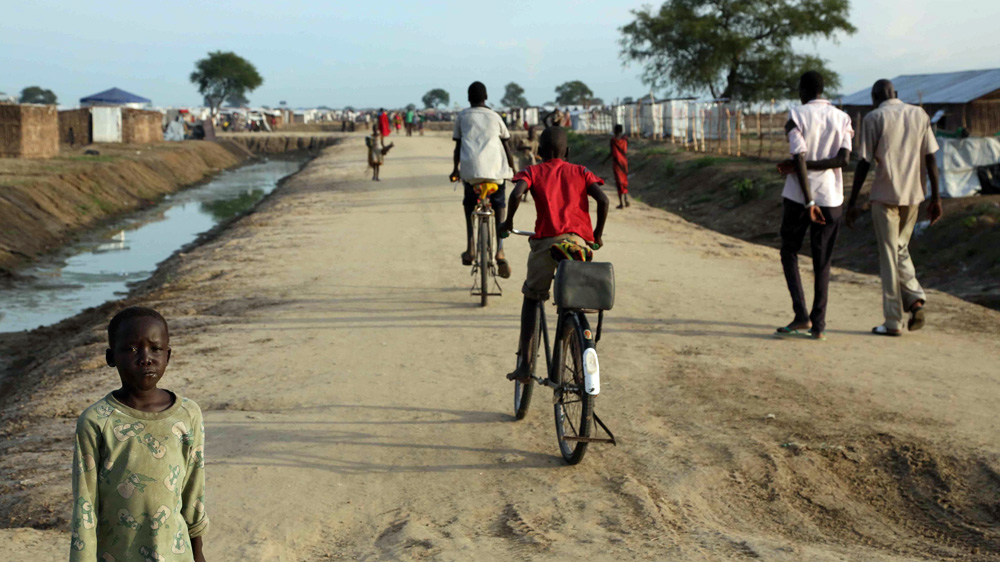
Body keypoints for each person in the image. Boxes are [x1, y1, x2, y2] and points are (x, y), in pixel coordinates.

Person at [70, 307, 209, 562]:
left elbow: (194, 491)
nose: (145, 358)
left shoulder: (187, 414)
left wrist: (198, 554)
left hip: (175, 553)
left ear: (168, 355)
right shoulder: (97, 421)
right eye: (132, 349)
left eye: (155, 349)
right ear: (111, 357)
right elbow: (85, 504)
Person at [500, 127, 610, 383]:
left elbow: (517, 194)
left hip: (547, 244)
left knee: (532, 297)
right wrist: (597, 235)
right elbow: (603, 201)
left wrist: (508, 222)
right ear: (568, 152)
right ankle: (573, 342)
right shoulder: (581, 171)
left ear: (538, 151)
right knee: (572, 301)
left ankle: (526, 366)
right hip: (579, 243)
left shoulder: (534, 171)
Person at [849, 79, 942, 336]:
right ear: (896, 94)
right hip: (914, 195)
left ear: (874, 97)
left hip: (885, 195)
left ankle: (893, 321)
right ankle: (915, 300)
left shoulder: (873, 118)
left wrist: (853, 201)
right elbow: (931, 157)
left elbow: (864, 163)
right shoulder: (919, 114)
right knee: (900, 248)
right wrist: (936, 197)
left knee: (889, 255)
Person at [774, 71, 853, 341]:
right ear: (822, 89)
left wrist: (808, 199)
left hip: (799, 198)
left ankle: (801, 315)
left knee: (789, 252)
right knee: (823, 261)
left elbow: (799, 156)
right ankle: (818, 325)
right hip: (831, 199)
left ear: (804, 90)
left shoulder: (796, 116)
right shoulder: (843, 118)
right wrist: (803, 167)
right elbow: (843, 160)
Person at [450, 81, 516, 278]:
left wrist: (455, 170)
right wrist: (514, 169)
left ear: (469, 98)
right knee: (500, 205)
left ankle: (470, 248)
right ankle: (500, 250)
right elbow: (507, 146)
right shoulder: (495, 117)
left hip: (471, 174)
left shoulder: (462, 116)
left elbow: (457, 147)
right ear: (486, 97)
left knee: (469, 204)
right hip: (495, 174)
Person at [602, 124, 630, 208]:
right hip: (624, 162)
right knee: (624, 180)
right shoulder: (625, 140)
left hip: (617, 163)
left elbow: (612, 152)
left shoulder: (613, 141)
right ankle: (626, 199)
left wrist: (604, 160)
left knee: (619, 182)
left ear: (615, 131)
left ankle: (621, 203)